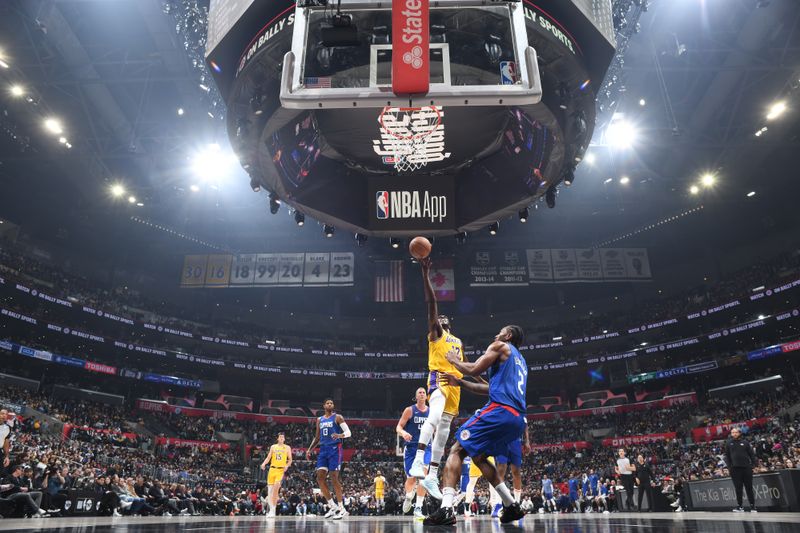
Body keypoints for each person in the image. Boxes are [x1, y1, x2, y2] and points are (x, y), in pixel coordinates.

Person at [424, 325, 528, 525]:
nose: (496, 333)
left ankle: (446, 508)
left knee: (456, 450)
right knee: (478, 456)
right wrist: (460, 383)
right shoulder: (520, 361)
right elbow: (489, 388)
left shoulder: (500, 346)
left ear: (508, 335)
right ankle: (511, 504)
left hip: (499, 411)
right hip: (516, 420)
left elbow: (473, 369)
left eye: (501, 331)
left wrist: (454, 360)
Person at [409, 258, 466, 500]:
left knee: (442, 434)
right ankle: (417, 460)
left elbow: (464, 366)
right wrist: (426, 275)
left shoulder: (458, 341)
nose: (439, 319)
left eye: (443, 319)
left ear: (449, 324)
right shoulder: (435, 334)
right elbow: (432, 303)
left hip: (455, 386)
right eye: (437, 319)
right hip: (439, 380)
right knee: (433, 416)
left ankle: (432, 474)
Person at [450, 374, 528, 517]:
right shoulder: (503, 393)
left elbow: (486, 386)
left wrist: (463, 378)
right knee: (491, 474)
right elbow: (486, 385)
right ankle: (497, 505)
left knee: (511, 472)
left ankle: (508, 504)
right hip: (497, 437)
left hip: (508, 434)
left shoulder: (509, 395)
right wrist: (474, 375)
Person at [306, 399, 351, 520]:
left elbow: (348, 432)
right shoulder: (319, 419)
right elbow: (317, 437)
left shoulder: (338, 417)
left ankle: (342, 508)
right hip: (323, 450)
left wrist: (339, 435)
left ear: (333, 406)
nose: (330, 404)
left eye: (331, 403)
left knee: (334, 478)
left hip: (335, 449)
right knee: (319, 478)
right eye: (327, 403)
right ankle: (332, 506)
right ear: (324, 406)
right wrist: (309, 449)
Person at [396, 387, 430, 518]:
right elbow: (398, 427)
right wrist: (404, 433)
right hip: (411, 449)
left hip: (426, 448)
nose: (422, 394)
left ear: (426, 397)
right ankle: (409, 497)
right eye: (419, 393)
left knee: (423, 477)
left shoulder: (431, 412)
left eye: (423, 393)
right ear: (416, 397)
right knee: (411, 479)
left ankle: (419, 508)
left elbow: (436, 429)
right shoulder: (409, 410)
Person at [724, 427, 758, 513]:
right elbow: (727, 456)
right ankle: (740, 506)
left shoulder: (745, 442)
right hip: (735, 469)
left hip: (746, 468)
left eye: (735, 432)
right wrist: (729, 467)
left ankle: (752, 506)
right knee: (738, 488)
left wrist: (753, 465)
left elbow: (751, 454)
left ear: (739, 433)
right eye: (732, 432)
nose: (734, 434)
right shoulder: (728, 443)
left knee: (749, 487)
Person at [260, 432, 292, 518]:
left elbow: (290, 460)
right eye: (280, 437)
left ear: (284, 439)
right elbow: (268, 457)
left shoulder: (287, 447)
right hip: (272, 469)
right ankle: (271, 510)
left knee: (275, 489)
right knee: (270, 492)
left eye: (283, 437)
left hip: (280, 470)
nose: (281, 438)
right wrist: (263, 464)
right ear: (278, 438)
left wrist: (287, 466)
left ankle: (272, 511)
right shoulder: (273, 447)